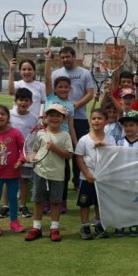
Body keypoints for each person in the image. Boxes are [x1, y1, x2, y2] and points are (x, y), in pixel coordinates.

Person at [47, 47, 95, 213]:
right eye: (62, 57)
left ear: (74, 56)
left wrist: (75, 105)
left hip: (78, 119)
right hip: (58, 123)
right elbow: (49, 94)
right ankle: (58, 195)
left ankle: (79, 184)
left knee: (79, 154)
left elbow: (90, 94)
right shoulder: (55, 74)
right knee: (60, 157)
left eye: (68, 56)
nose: (65, 59)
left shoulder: (84, 73)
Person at [24, 103, 75, 242]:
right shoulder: (41, 133)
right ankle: (36, 227)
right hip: (40, 172)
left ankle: (54, 228)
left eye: (58, 115)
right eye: (51, 115)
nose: (54, 118)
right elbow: (35, 150)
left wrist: (55, 148)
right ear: (46, 117)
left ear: (63, 119)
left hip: (57, 174)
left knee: (56, 202)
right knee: (38, 200)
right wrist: (31, 157)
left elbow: (69, 155)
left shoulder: (65, 136)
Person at [75, 108, 115, 240]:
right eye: (93, 118)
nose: (96, 121)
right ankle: (85, 225)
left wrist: (104, 148)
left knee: (99, 203)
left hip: (102, 179)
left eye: (99, 118)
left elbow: (113, 156)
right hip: (87, 178)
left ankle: (98, 224)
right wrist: (86, 174)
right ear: (90, 121)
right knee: (85, 203)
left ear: (106, 121)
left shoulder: (110, 139)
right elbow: (79, 157)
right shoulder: (84, 140)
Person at [0, 105, 26, 236]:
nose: (0, 116)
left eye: (3, 114)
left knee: (13, 198)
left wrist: (20, 160)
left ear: (8, 117)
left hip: (13, 173)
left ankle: (14, 222)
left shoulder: (15, 133)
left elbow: (23, 149)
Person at [114, 110, 138, 237]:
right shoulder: (119, 142)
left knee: (133, 202)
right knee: (121, 202)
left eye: (132, 125)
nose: (128, 128)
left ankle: (133, 223)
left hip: (135, 178)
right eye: (126, 125)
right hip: (122, 178)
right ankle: (120, 224)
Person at [8, 88, 38, 218]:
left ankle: (23, 206)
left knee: (24, 180)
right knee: (7, 179)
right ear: (15, 101)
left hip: (26, 154)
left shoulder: (33, 118)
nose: (23, 103)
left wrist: (32, 154)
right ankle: (5, 206)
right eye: (21, 100)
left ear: (31, 102)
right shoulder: (9, 114)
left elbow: (35, 138)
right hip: (10, 153)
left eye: (26, 100)